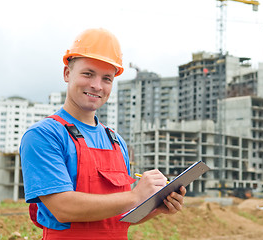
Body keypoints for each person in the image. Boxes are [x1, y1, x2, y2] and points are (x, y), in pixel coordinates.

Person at [20, 28, 186, 240]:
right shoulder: (44, 135)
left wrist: (156, 207)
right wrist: (136, 195)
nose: (96, 85)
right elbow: (63, 208)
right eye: (88, 73)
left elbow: (119, 215)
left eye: (106, 78)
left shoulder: (116, 141)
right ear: (67, 73)